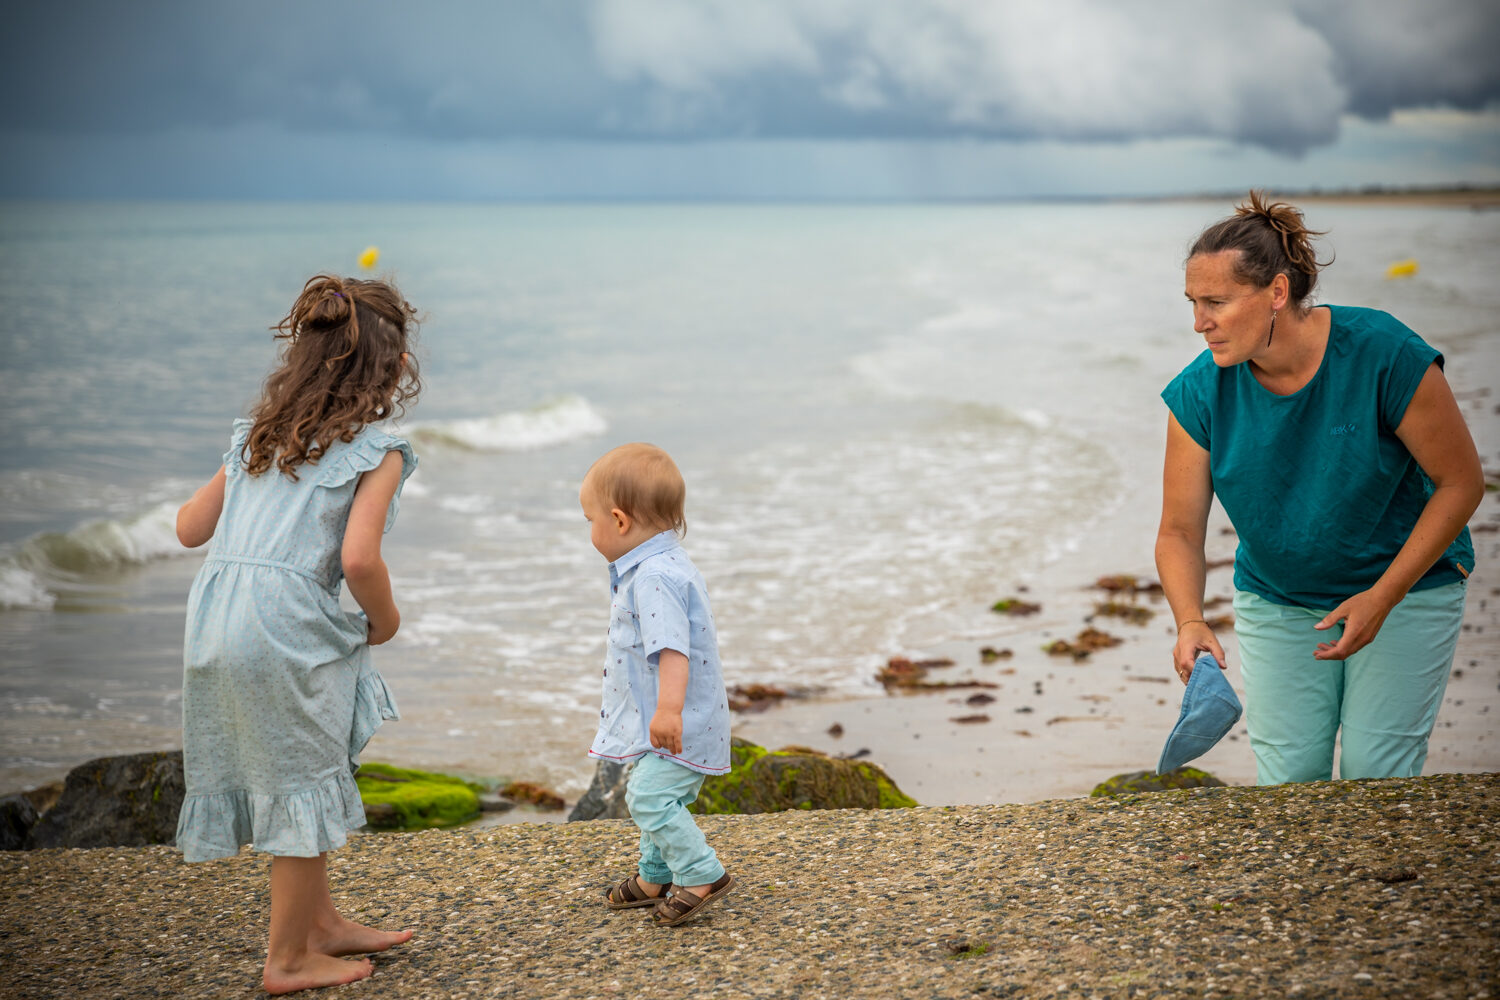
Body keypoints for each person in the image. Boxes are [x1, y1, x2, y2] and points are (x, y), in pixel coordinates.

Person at [1155, 191, 1483, 786]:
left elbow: (1461, 483)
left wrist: (1382, 597)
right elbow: (1179, 531)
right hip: (1279, 601)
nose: (1199, 321)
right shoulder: (1199, 393)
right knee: (1289, 784)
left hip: (1409, 590)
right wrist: (1189, 620)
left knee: (1374, 779)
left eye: (1216, 302)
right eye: (1193, 303)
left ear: (1277, 293)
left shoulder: (1384, 354)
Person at [174, 274, 421, 994]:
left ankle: (321, 924)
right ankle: (287, 958)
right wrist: (386, 619)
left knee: (295, 772)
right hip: (285, 627)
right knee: (299, 787)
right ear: (394, 368)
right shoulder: (380, 448)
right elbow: (358, 558)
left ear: (303, 357)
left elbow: (189, 529)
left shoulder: (255, 435)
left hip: (216, 619)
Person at [580, 443, 735, 926]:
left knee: (648, 796)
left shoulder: (654, 577)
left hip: (678, 719)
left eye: (590, 520)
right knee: (655, 792)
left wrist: (667, 711)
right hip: (672, 715)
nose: (590, 531)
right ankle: (655, 875)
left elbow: (673, 649)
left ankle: (701, 873)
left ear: (620, 521)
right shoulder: (664, 564)